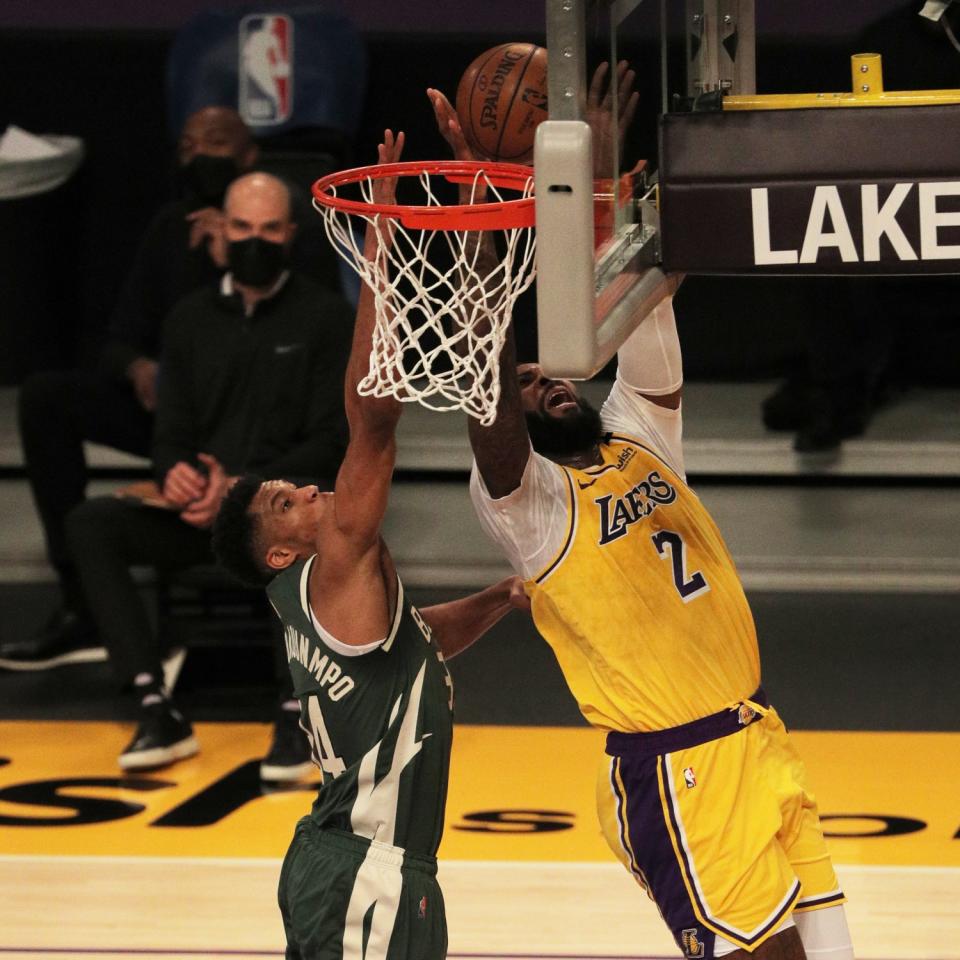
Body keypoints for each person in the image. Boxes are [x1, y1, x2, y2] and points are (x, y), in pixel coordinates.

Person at [427, 84, 855, 960]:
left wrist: (592, 192)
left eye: (549, 370)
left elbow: (647, 307)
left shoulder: (638, 435)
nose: (544, 378)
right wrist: (483, 195)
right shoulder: (531, 507)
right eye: (524, 384)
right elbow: (483, 372)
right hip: (678, 774)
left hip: (757, 738)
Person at [210, 130, 528, 960]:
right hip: (368, 872)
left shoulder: (317, 599)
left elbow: (420, 646)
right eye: (287, 502)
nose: (310, 490)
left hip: (350, 862)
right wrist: (382, 243)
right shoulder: (335, 562)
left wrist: (499, 598)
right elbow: (373, 417)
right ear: (279, 552)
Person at [57, 171, 355, 776]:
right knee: (90, 523)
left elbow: (333, 442)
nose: (254, 240)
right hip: (204, 514)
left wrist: (245, 487)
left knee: (300, 536)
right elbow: (170, 434)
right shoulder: (189, 319)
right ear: (221, 230)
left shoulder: (326, 318)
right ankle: (152, 702)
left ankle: (297, 712)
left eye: (269, 228)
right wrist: (178, 477)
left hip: (276, 510)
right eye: (242, 227)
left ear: (291, 234)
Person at [1, 106, 259, 672]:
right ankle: (81, 607)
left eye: (214, 143)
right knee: (46, 397)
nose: (198, 156)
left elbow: (294, 336)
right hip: (172, 420)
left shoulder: (284, 230)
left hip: (250, 425)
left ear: (248, 157)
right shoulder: (170, 226)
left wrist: (231, 260)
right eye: (187, 145)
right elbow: (117, 338)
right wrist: (137, 366)